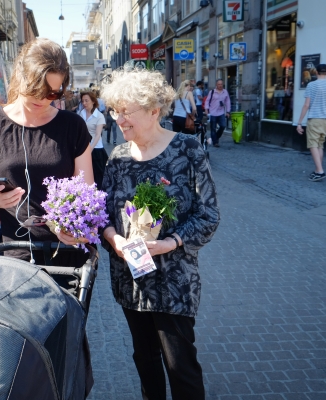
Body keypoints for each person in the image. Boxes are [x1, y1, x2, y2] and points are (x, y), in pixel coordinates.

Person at [100, 68, 220, 400]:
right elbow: (102, 216)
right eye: (115, 111)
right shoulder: (118, 158)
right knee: (146, 361)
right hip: (131, 280)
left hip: (174, 280)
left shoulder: (187, 150)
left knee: (180, 366)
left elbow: (208, 214)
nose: (119, 119)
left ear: (154, 111)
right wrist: (114, 239)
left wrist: (170, 242)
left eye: (127, 112)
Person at [0, 38, 94, 267]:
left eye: (54, 94)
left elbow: (86, 193)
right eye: (38, 90)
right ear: (20, 75)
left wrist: (81, 228)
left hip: (66, 252)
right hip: (16, 255)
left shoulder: (73, 126)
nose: (44, 100)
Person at [296, 64, 326, 182]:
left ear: (316, 72)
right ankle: (318, 170)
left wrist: (299, 122)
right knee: (320, 145)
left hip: (314, 118)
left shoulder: (311, 85)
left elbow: (307, 105)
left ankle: (320, 171)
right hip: (325, 120)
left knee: (313, 145)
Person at [78, 90, 107, 188]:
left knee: (98, 176)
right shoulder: (81, 113)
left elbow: (98, 134)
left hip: (96, 149)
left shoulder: (99, 116)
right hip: (83, 147)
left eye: (86, 101)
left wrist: (91, 148)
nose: (84, 103)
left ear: (93, 101)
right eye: (83, 101)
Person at [204, 79, 231, 147]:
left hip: (221, 112)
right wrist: (206, 109)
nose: (220, 86)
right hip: (213, 112)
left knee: (223, 126)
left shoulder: (225, 92)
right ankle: (215, 142)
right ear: (216, 85)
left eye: (221, 84)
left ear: (223, 84)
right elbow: (207, 101)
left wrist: (228, 111)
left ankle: (216, 137)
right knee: (213, 128)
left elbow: (228, 102)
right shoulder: (212, 92)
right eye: (219, 84)